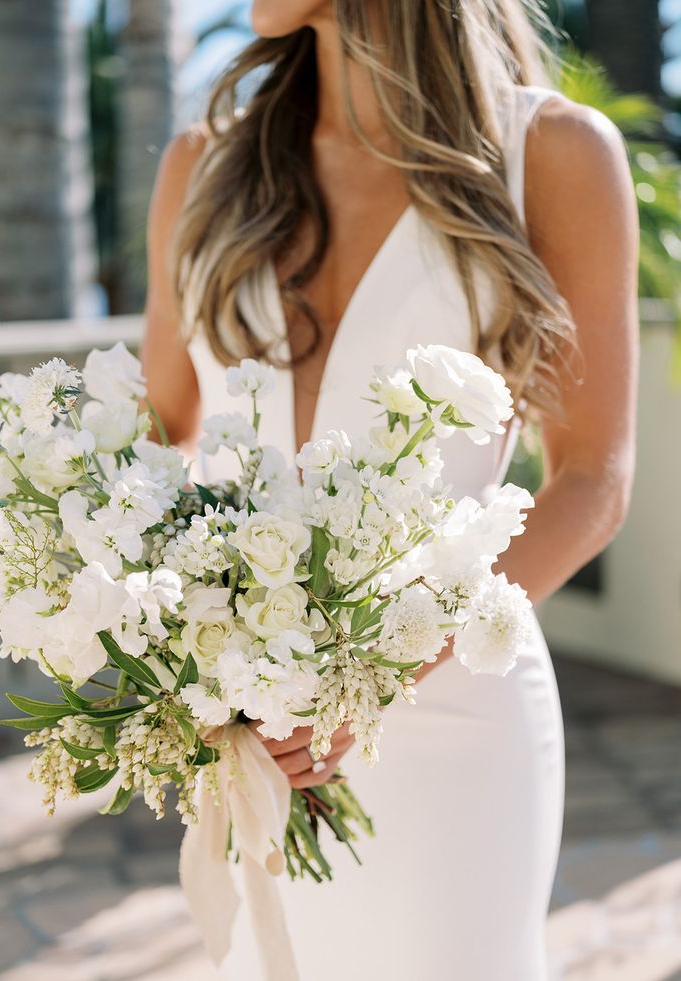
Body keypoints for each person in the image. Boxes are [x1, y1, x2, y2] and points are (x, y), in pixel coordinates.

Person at [141, 1, 638, 978]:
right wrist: (183, 659)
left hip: (458, 713)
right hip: (261, 729)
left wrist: (355, 685)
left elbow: (591, 479)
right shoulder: (203, 165)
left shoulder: (552, 153)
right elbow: (159, 438)